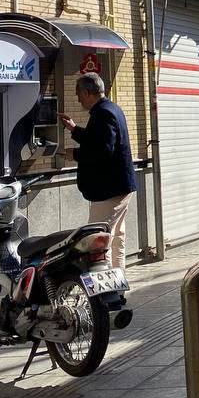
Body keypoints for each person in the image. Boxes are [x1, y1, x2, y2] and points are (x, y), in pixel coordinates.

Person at [60, 72, 136, 270]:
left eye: (78, 94)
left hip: (108, 190)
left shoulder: (103, 113)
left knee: (98, 241)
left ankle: (107, 285)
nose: (78, 99)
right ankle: (119, 281)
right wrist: (74, 129)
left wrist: (75, 154)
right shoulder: (112, 108)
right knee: (116, 237)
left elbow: (102, 150)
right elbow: (98, 139)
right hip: (120, 186)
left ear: (87, 93)